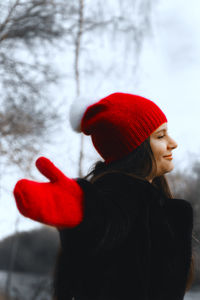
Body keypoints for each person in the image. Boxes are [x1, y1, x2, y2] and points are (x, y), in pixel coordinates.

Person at [13, 92, 194, 300]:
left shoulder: (160, 205)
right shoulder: (116, 200)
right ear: (134, 148)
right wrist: (82, 204)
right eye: (160, 136)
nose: (173, 143)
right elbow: (105, 223)